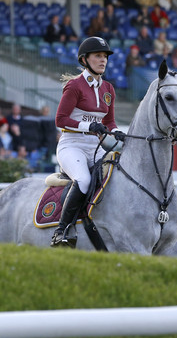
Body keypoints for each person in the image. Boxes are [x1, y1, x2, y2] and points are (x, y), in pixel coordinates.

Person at [52, 37, 125, 248]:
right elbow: (61, 119)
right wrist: (88, 126)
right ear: (85, 60)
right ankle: (61, 231)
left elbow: (109, 122)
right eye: (98, 56)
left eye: (105, 57)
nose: (103, 60)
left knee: (115, 177)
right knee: (83, 180)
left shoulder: (108, 89)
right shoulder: (74, 86)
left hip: (94, 147)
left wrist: (118, 132)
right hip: (71, 145)